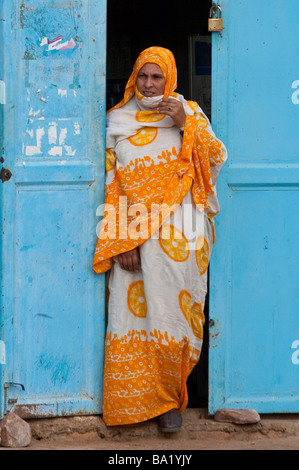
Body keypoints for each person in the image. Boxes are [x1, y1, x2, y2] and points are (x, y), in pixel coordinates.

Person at [93, 47, 227, 432]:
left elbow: (216, 159)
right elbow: (111, 185)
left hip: (183, 239)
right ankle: (136, 402)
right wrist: (125, 241)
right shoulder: (117, 121)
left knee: (175, 320)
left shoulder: (190, 115)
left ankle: (171, 400)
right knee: (132, 320)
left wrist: (187, 123)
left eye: (157, 77)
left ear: (170, 80)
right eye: (143, 76)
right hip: (135, 237)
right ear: (133, 79)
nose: (149, 85)